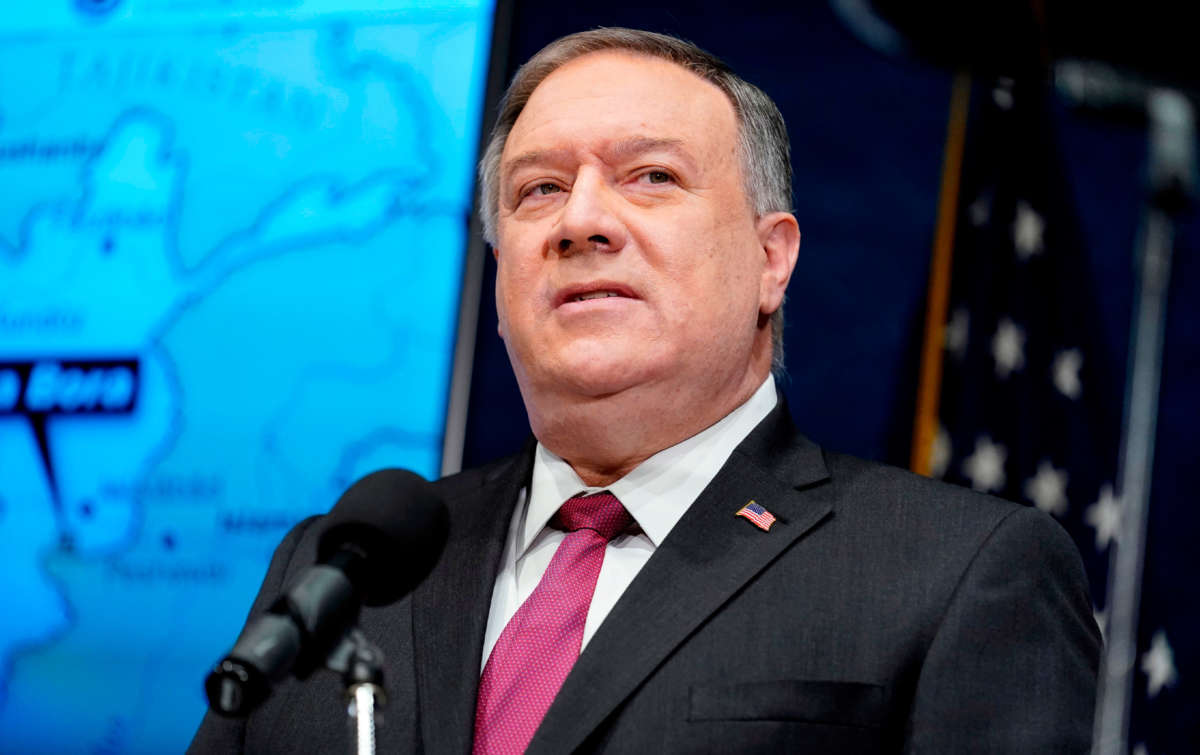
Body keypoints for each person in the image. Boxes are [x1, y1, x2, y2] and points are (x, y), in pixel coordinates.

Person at [189, 28, 1100, 754]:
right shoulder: (340, 567)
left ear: (770, 259)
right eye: (539, 189)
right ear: (500, 276)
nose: (581, 219)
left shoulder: (964, 573)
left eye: (651, 177)